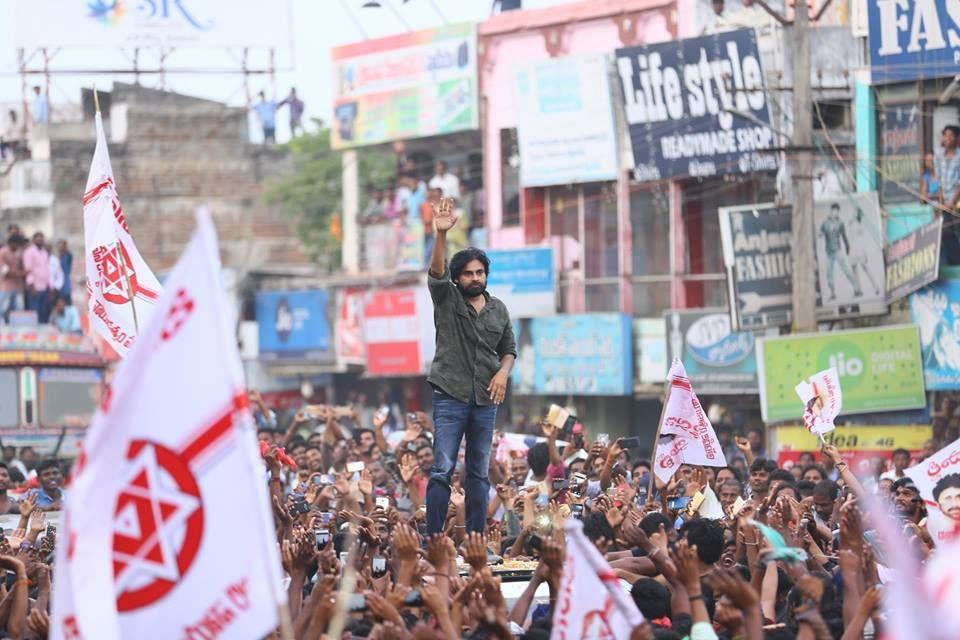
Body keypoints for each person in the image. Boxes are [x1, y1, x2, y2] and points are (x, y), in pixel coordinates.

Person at [424, 196, 516, 535]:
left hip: (485, 401)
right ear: (458, 278)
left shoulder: (499, 310)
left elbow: (509, 349)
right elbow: (436, 273)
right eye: (467, 274)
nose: (474, 278)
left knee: (478, 472)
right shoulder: (446, 298)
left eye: (479, 272)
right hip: (450, 394)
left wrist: (504, 373)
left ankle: (478, 540)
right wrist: (441, 234)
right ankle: (433, 539)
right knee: (442, 469)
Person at [820, 203, 863, 300]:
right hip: (829, 252)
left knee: (846, 270)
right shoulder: (825, 222)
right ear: (831, 211)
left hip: (837, 251)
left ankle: (857, 289)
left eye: (837, 211)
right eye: (834, 210)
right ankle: (832, 293)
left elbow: (844, 236)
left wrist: (847, 247)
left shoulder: (840, 223)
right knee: (829, 274)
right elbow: (821, 232)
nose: (835, 213)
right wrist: (821, 235)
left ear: (838, 212)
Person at [22, 232, 51, 323]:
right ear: (34, 240)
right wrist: (32, 285)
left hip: (44, 287)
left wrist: (49, 286)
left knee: (44, 311)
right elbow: (28, 270)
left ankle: (43, 335)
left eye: (41, 239)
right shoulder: (29, 252)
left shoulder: (45, 252)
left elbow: (46, 269)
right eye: (38, 239)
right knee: (34, 312)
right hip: (35, 288)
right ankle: (34, 334)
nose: (40, 241)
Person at [0, 234, 25, 322]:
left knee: (19, 311)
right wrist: (21, 274)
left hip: (18, 287)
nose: (19, 246)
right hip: (6, 287)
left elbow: (22, 266)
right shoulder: (3, 252)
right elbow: (5, 272)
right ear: (11, 243)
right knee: (2, 310)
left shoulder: (19, 252)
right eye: (17, 244)